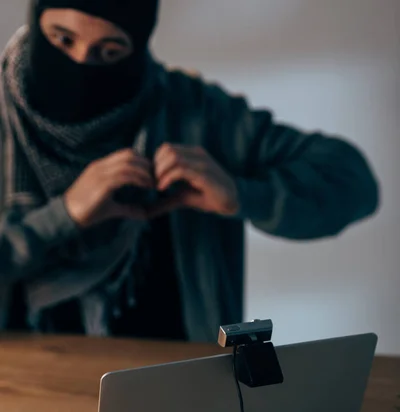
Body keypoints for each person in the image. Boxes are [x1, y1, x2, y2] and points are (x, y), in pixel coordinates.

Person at [0, 0, 379, 342]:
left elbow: (353, 181)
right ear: (36, 24)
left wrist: (241, 194)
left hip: (180, 392)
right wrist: (63, 216)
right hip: (20, 394)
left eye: (110, 51)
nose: (81, 63)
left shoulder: (197, 114)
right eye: (62, 39)